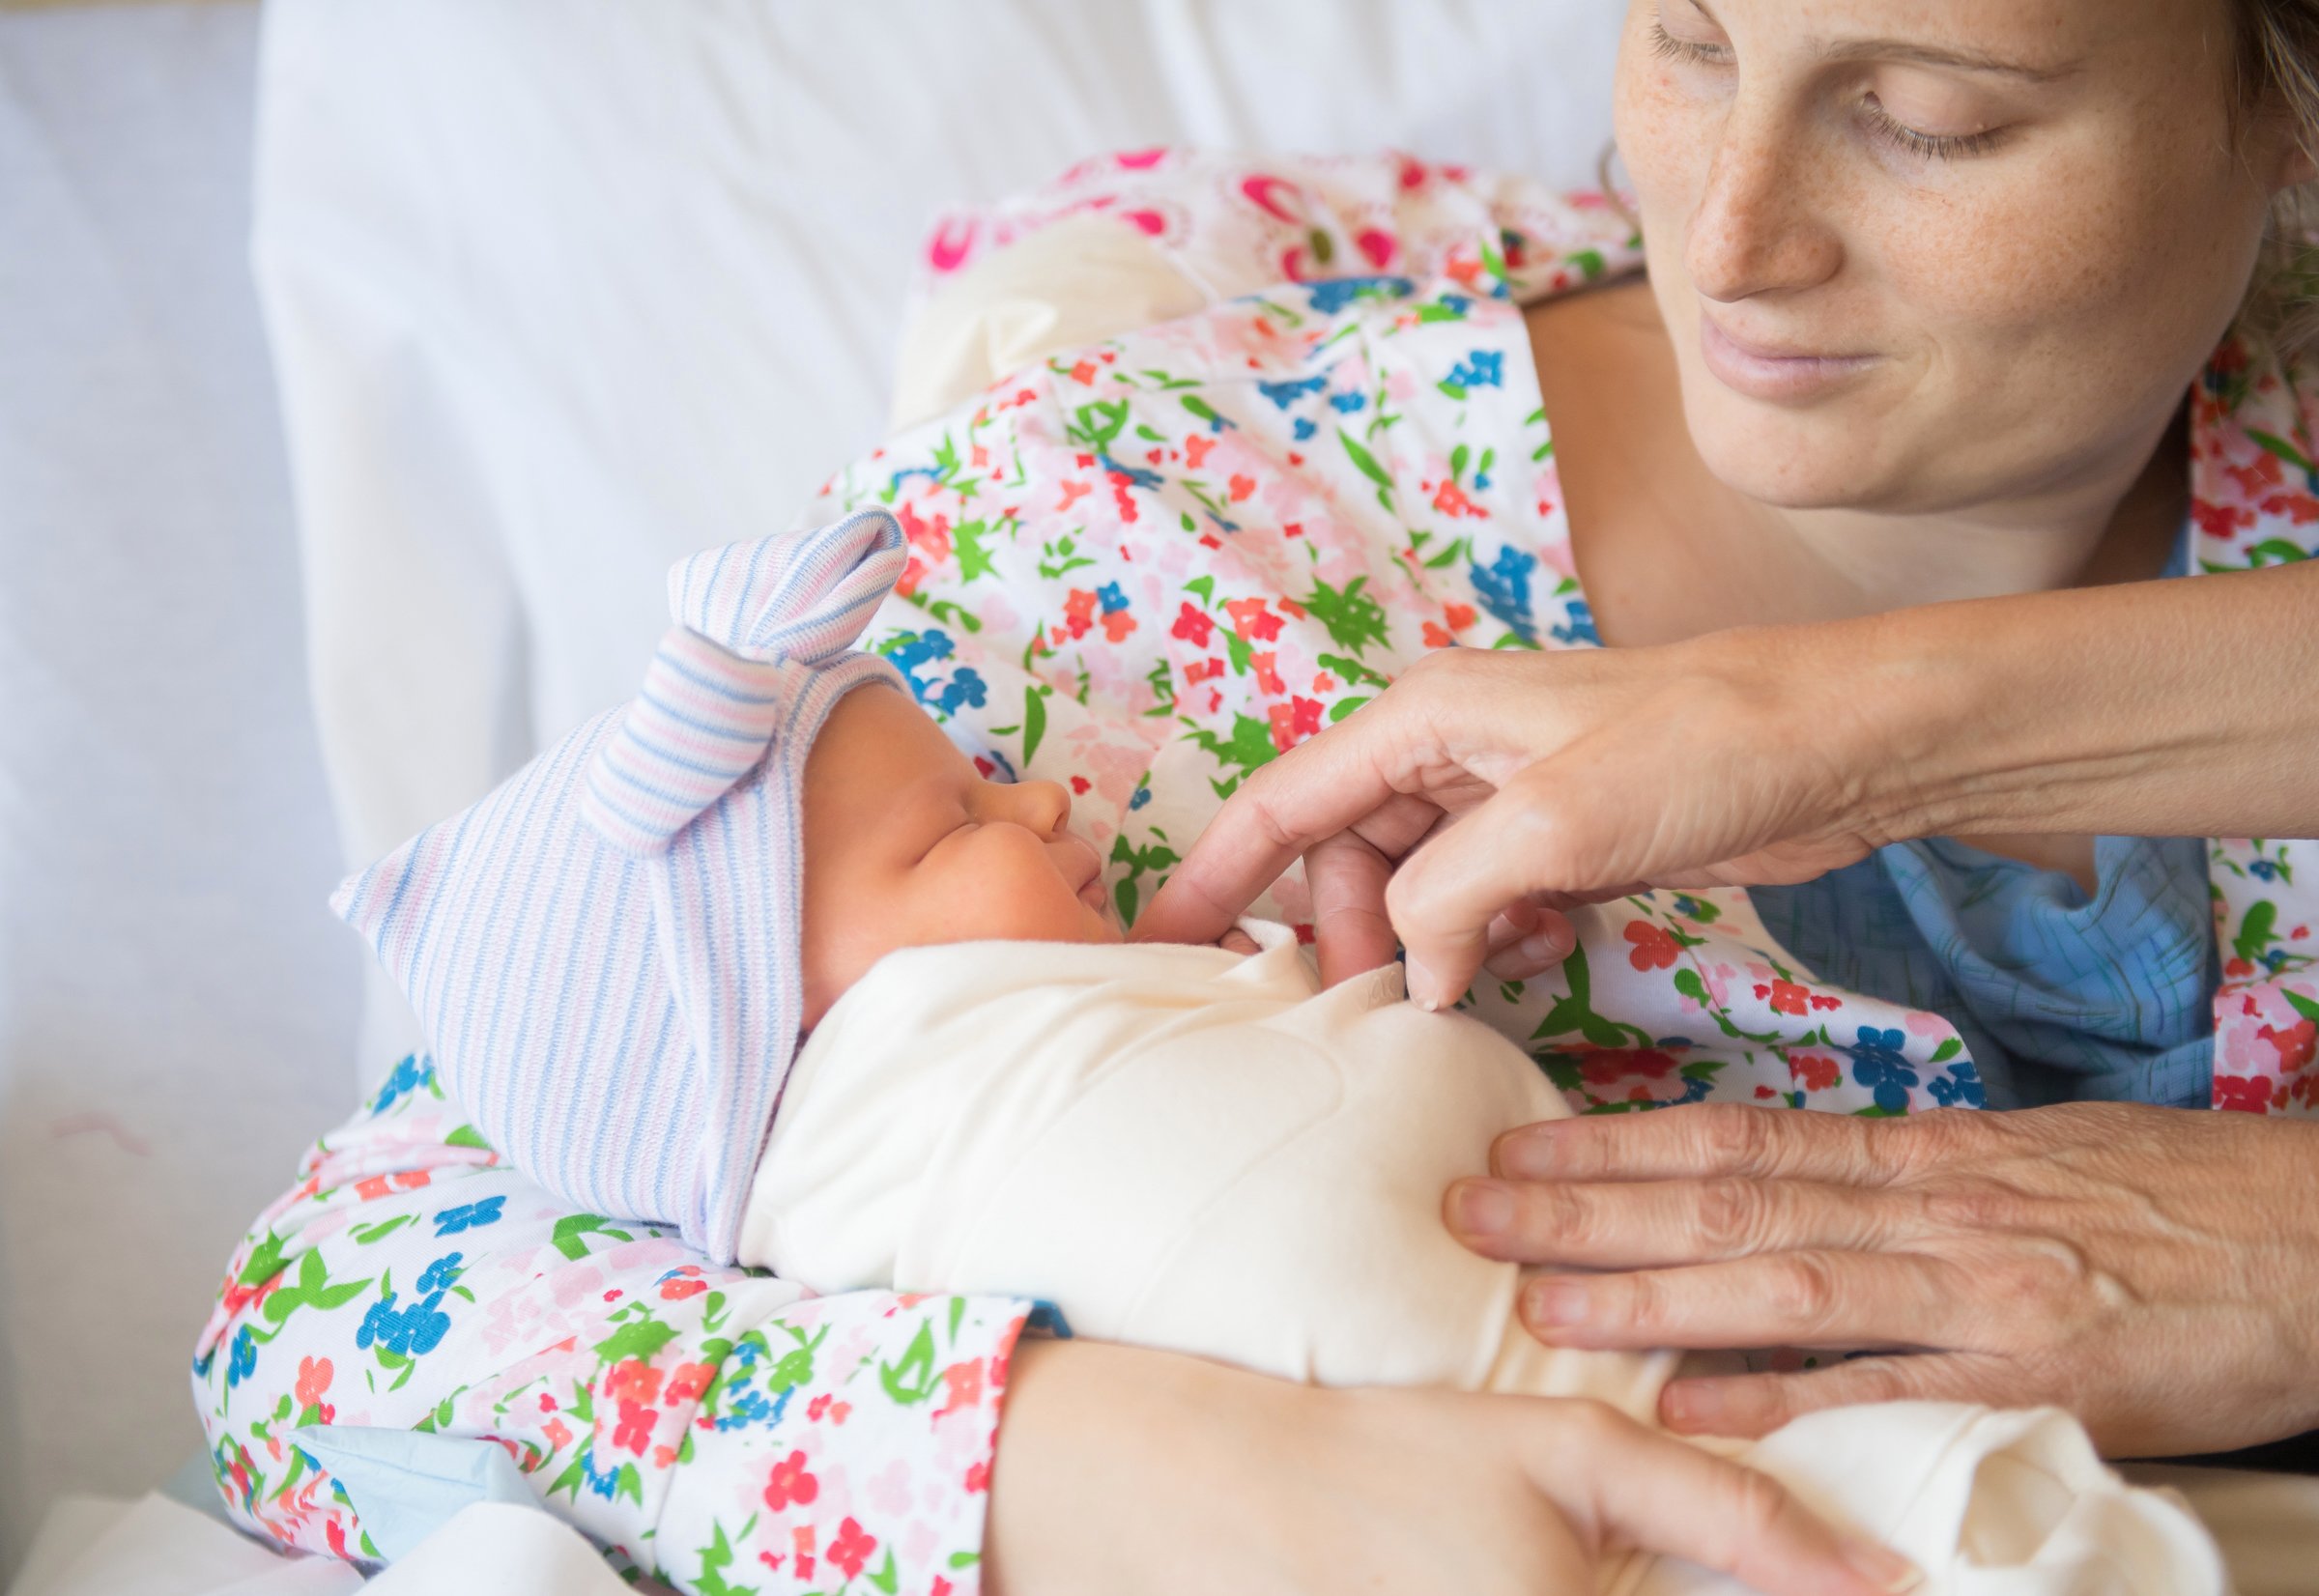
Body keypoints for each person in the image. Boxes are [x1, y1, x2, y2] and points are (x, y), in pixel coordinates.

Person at [198, 0, 2319, 1589]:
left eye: (1936, 115)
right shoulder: (1154, 546)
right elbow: (330, 1319)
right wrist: (1102, 1464)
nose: (1735, 234)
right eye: (1682, 33)